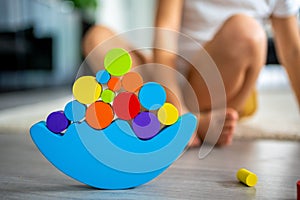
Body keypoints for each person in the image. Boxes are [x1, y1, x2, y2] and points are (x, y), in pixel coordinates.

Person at [82, 0, 300, 147]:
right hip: (168, 75)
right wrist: (178, 109)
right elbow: (165, 31)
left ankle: (164, 119)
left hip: (219, 85)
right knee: (97, 37)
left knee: (247, 31)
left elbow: (292, 52)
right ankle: (182, 121)